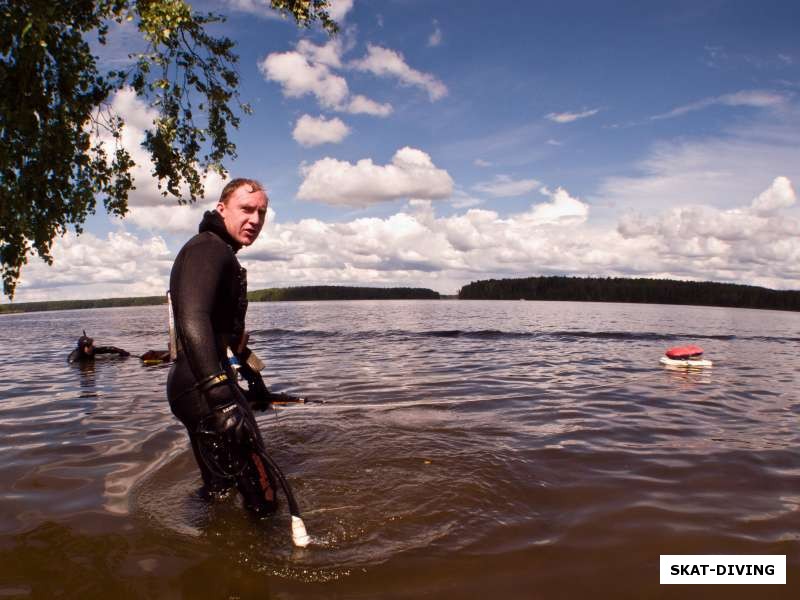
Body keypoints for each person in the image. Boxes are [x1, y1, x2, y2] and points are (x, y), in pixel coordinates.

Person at [166, 178, 281, 515]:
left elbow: (218, 333)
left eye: (261, 212)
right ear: (221, 209)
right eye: (246, 209)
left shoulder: (218, 249)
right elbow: (192, 318)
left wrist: (250, 373)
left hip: (196, 386)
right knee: (265, 496)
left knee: (221, 489)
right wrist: (222, 399)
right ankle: (266, 559)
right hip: (204, 390)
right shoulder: (208, 248)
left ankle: (205, 547)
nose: (255, 220)